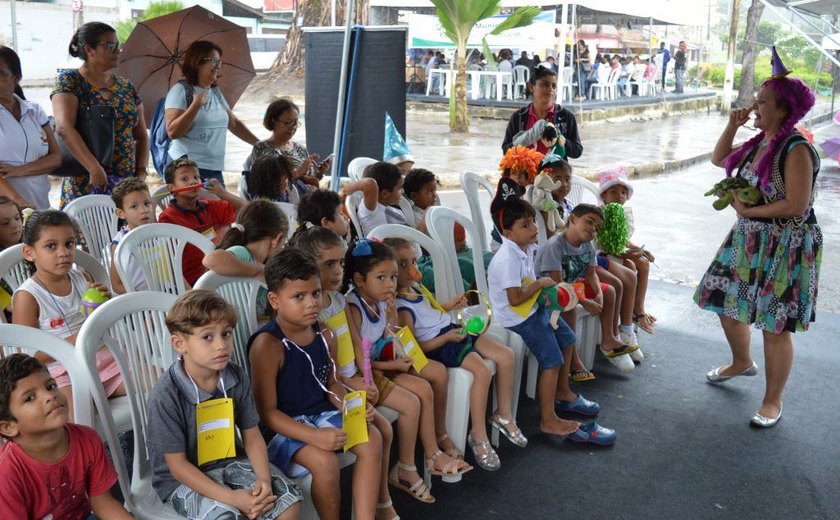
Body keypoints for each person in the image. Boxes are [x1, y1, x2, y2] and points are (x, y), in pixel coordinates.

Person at [697, 48, 821, 428]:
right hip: (750, 238)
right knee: (723, 299)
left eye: (762, 101)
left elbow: (796, 204)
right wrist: (733, 125)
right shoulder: (760, 141)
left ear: (783, 109)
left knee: (774, 324)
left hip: (787, 244)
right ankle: (741, 362)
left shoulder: (795, 147)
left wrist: (750, 211)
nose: (755, 106)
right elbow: (720, 159)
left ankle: (772, 400)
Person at [248, 249, 383, 520]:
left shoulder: (326, 334)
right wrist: (313, 436)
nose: (312, 303)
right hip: (282, 428)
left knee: (372, 438)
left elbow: (332, 383)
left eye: (316, 293)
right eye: (299, 296)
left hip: (319, 414)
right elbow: (267, 414)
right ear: (274, 300)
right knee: (324, 461)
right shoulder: (268, 346)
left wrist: (350, 405)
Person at [286, 225, 407, 517]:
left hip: (349, 382)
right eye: (330, 264)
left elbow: (356, 343)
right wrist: (351, 385)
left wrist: (364, 379)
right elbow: (327, 370)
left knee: (383, 431)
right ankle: (379, 501)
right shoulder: (310, 315)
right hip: (337, 387)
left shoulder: (339, 300)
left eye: (341, 262)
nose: (339, 270)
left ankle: (380, 500)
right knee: (379, 431)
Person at [146, 290, 301, 519]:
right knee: (227, 517)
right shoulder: (166, 395)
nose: (221, 345)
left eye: (226, 334)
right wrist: (232, 498)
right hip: (182, 480)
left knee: (286, 506)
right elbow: (177, 467)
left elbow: (251, 434)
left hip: (232, 461)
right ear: (180, 343)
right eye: (207, 337)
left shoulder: (235, 375)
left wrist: (263, 480)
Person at [487, 197, 615, 445]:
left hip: (531, 308)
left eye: (533, 222)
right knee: (552, 359)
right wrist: (539, 284)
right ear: (507, 232)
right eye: (526, 225)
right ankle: (548, 419)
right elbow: (514, 299)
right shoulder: (508, 258)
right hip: (518, 317)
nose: (535, 228)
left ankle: (562, 392)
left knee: (568, 338)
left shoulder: (524, 249)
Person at [388, 237, 524, 471]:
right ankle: (478, 435)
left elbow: (430, 312)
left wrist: (448, 306)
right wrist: (446, 338)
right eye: (402, 264)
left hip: (451, 331)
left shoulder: (416, 289)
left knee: (506, 355)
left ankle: (503, 414)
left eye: (414, 261)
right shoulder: (401, 309)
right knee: (481, 370)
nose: (412, 269)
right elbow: (417, 348)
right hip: (443, 343)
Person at [343, 240, 472, 483]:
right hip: (370, 374)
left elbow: (387, 337)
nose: (390, 283)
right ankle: (416, 460)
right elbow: (363, 361)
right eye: (381, 277)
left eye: (392, 277)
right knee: (419, 393)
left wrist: (390, 314)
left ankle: (432, 450)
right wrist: (392, 366)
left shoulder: (380, 301)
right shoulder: (354, 309)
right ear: (360, 280)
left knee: (428, 382)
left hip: (384, 364)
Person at [11, 210, 123, 422]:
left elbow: (98, 321)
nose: (63, 252)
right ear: (29, 252)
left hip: (105, 361)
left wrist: (102, 305)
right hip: (62, 374)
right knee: (75, 421)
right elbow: (29, 355)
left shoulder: (83, 277)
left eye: (69, 243)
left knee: (161, 382)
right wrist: (81, 337)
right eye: (51, 246)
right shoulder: (28, 296)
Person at [0, 354, 133, 519]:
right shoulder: (5, 473)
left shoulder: (87, 439)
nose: (50, 396)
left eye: (50, 386)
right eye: (30, 398)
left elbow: (103, 503)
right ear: (8, 427)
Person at [52, 22, 149, 207]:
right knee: (88, 233)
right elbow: (64, 128)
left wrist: (141, 171)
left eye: (118, 45)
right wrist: (94, 168)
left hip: (126, 182)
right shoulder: (70, 81)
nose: (118, 50)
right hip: (88, 178)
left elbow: (141, 135)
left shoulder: (126, 86)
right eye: (110, 46)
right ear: (89, 49)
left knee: (124, 233)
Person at [535, 204, 637, 373]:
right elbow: (557, 281)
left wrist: (597, 293)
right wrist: (584, 301)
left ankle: (608, 339)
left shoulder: (588, 246)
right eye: (589, 222)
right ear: (573, 219)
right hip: (547, 290)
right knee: (569, 306)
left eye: (597, 228)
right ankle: (573, 358)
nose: (592, 229)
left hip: (569, 286)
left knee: (609, 291)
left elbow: (591, 274)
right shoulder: (555, 245)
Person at [164, 40, 258, 187]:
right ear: (197, 62)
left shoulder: (215, 92)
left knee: (218, 209)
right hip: (188, 169)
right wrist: (195, 105)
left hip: (214, 168)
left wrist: (259, 144)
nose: (218, 66)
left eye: (220, 62)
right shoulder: (180, 91)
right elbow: (173, 132)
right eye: (213, 61)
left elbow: (233, 123)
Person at [158, 157, 244, 286]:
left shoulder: (211, 206)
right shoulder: (168, 218)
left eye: (196, 177)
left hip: (221, 272)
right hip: (193, 280)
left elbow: (247, 211)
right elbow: (169, 261)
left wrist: (223, 193)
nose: (193, 182)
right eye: (185, 179)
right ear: (171, 188)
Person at [203, 199, 289, 318]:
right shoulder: (244, 253)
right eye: (283, 243)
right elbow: (211, 259)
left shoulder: (261, 262)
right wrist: (258, 270)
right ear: (277, 240)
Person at [597, 167, 657, 335]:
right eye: (614, 191)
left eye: (623, 192)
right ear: (603, 195)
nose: (619, 196)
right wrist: (630, 254)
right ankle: (636, 311)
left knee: (642, 262)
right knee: (635, 264)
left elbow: (622, 239)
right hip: (601, 254)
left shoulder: (619, 212)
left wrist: (639, 250)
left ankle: (637, 309)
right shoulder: (602, 213)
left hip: (614, 250)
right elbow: (607, 245)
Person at [0, 46, 61, 210]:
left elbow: (56, 157)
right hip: (7, 211)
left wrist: (19, 170)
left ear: (16, 78)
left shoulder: (34, 111)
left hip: (39, 203)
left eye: (1, 74)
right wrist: (18, 201)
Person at [247, 98, 330, 195]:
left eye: (296, 122)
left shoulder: (300, 149)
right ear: (273, 121)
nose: (293, 127)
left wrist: (319, 174)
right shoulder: (262, 148)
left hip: (307, 201)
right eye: (288, 122)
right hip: (281, 204)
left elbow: (309, 180)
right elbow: (264, 184)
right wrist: (300, 171)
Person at [501, 66, 583, 160]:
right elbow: (506, 150)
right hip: (526, 172)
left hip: (554, 173)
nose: (551, 89)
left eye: (554, 86)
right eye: (545, 84)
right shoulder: (519, 117)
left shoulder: (566, 116)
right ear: (531, 87)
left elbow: (577, 151)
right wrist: (529, 136)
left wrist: (558, 138)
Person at [109, 177, 154, 293]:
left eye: (147, 203)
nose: (144, 210)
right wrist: (141, 300)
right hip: (140, 303)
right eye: (134, 206)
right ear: (121, 213)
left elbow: (173, 270)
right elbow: (116, 284)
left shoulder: (160, 235)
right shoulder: (119, 244)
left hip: (167, 293)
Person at [356, 162, 407, 237]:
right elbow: (370, 183)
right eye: (400, 188)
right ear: (385, 194)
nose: (403, 191)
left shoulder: (385, 205)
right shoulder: (370, 211)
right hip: (383, 247)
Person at [402, 168, 437, 233]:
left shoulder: (432, 211)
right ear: (414, 196)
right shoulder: (416, 218)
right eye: (429, 192)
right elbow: (419, 239)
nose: (435, 195)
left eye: (435, 190)